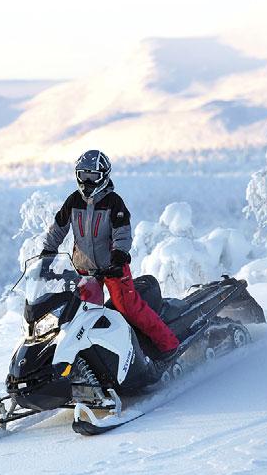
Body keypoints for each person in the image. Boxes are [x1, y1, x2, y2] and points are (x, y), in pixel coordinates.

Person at [40, 150, 179, 359]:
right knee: (84, 315)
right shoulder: (73, 201)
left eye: (92, 176)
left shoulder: (113, 202)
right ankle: (94, 358)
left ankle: (169, 345)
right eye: (83, 175)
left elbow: (122, 232)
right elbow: (58, 227)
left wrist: (120, 254)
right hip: (85, 269)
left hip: (113, 267)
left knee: (128, 307)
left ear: (104, 176)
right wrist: (47, 252)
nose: (87, 182)